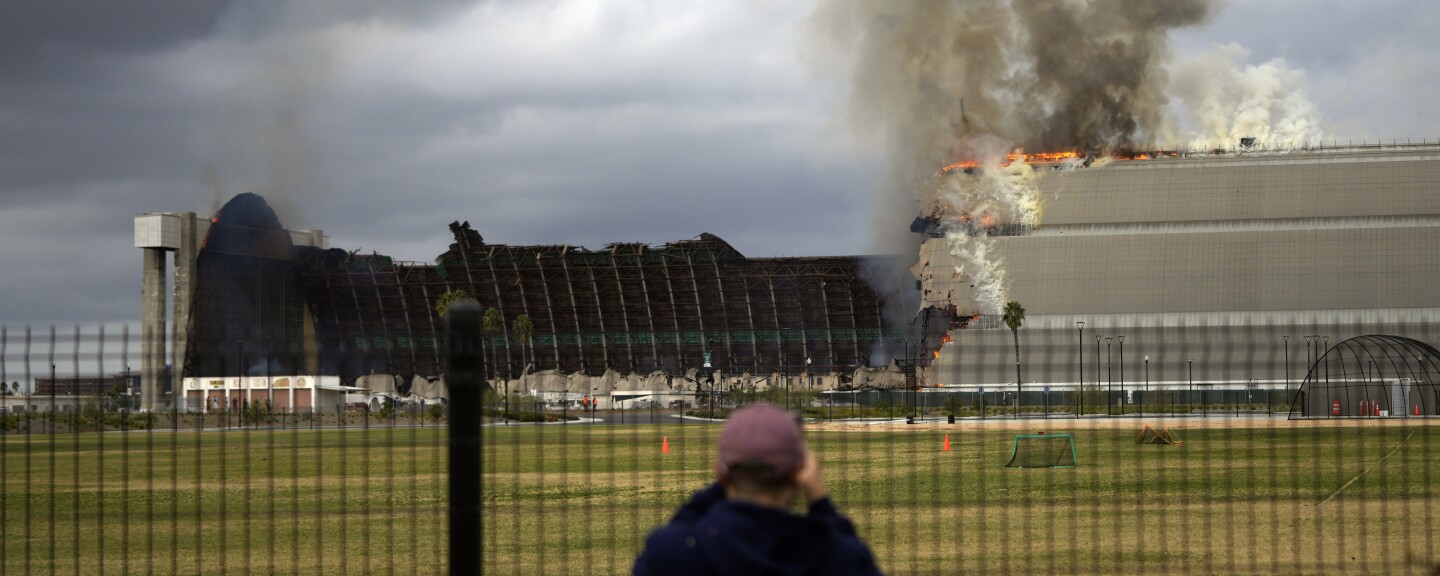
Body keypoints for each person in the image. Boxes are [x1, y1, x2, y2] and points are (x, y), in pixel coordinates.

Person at [633, 404, 881, 575]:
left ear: (721, 473)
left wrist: (731, 474)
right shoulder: (838, 560)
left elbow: (676, 528)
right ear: (799, 473)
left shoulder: (672, 554)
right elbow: (852, 554)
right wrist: (819, 499)